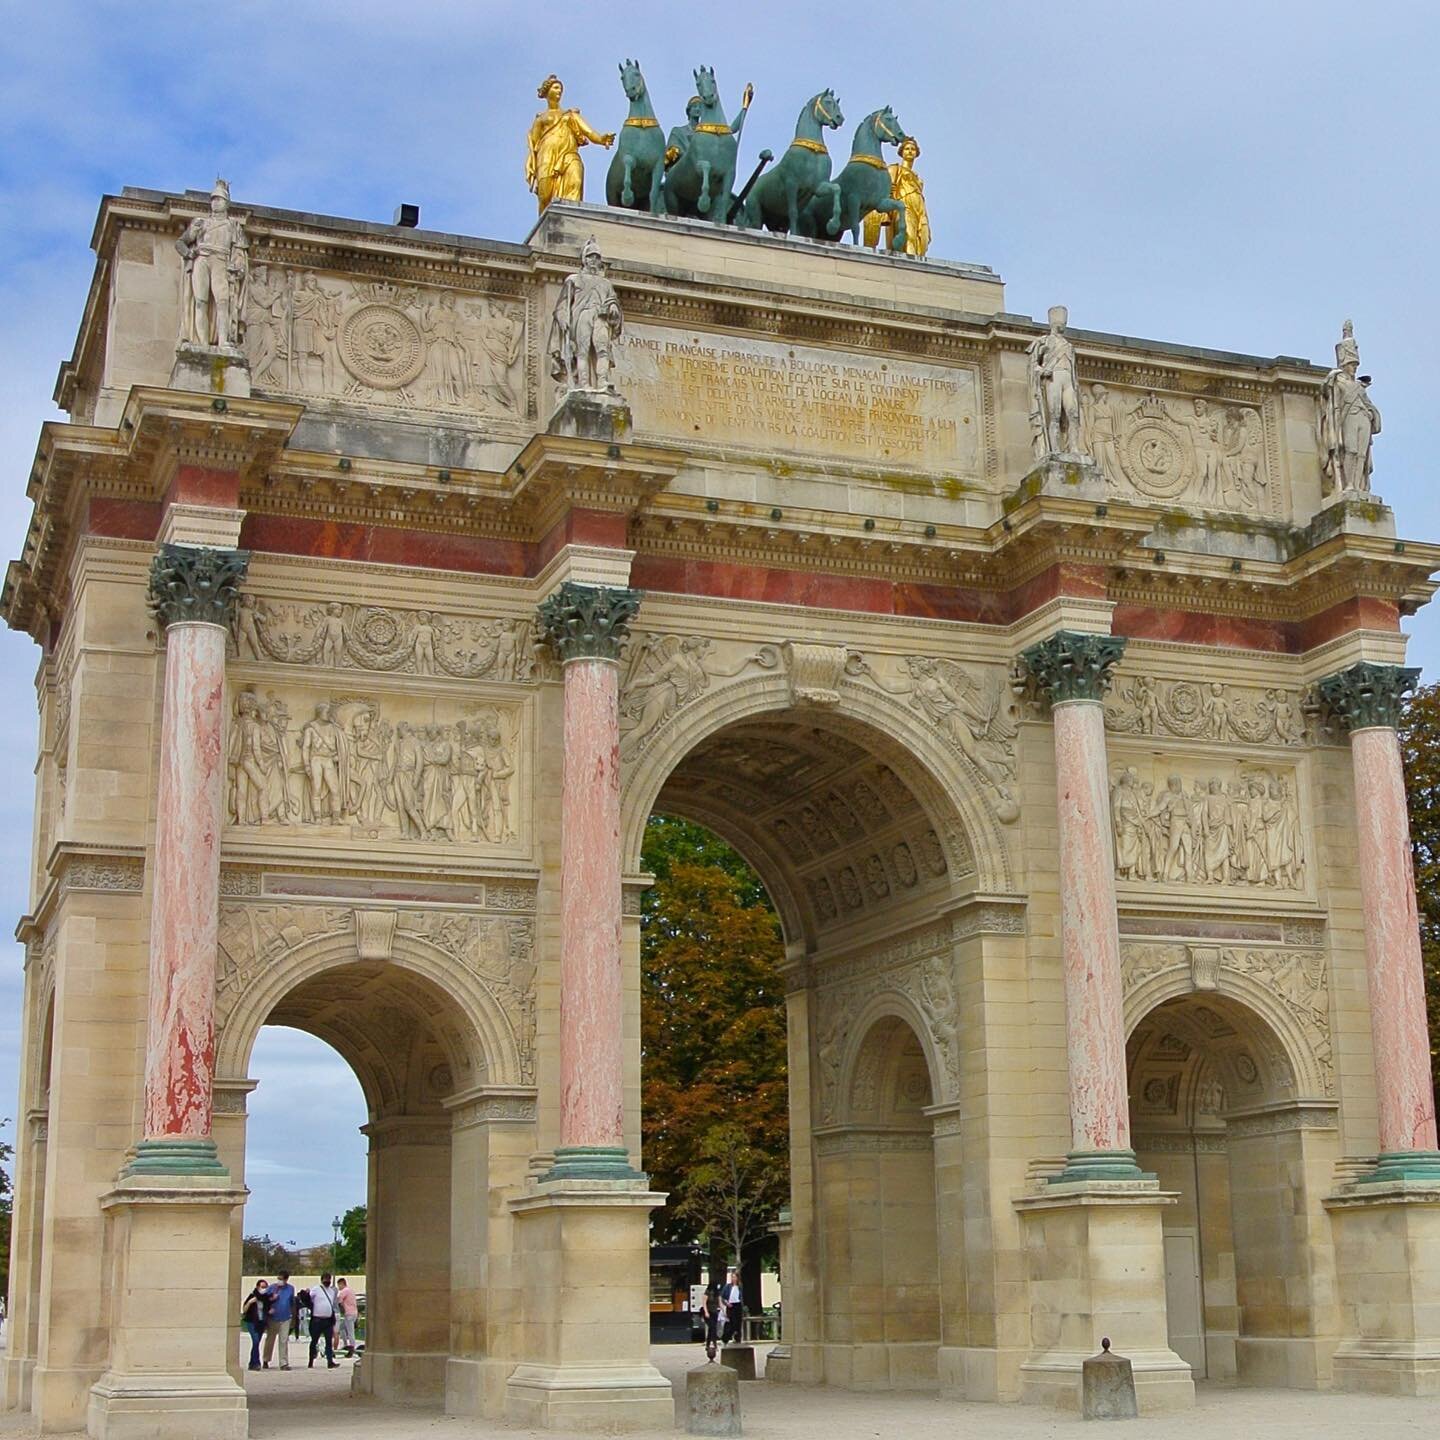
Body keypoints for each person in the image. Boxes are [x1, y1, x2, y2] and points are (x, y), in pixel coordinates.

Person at [262, 1271, 295, 1370]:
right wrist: (271, 1301)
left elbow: (291, 1302)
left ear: (286, 1279)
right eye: (278, 1278)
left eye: (281, 1279)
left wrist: (293, 1317)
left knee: (284, 1340)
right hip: (273, 1318)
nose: (279, 1281)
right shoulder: (272, 1288)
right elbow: (264, 1300)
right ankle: (266, 1359)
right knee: (270, 1340)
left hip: (285, 1317)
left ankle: (283, 1363)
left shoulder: (290, 1289)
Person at [308, 1272, 340, 1369]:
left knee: (328, 1341)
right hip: (317, 1319)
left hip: (328, 1320)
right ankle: (311, 1360)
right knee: (314, 1341)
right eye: (325, 1279)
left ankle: (330, 1361)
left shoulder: (332, 1291)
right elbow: (309, 1299)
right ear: (321, 1280)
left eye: (329, 1279)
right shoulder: (316, 1289)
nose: (327, 1281)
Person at [240, 1279, 269, 1371]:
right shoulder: (252, 1296)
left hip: (261, 1323)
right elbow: (244, 1310)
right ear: (257, 1287)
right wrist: (250, 1302)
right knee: (255, 1341)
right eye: (262, 1287)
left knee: (256, 1343)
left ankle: (252, 1363)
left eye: (265, 1287)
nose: (264, 1289)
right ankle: (256, 1363)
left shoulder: (266, 1298)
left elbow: (268, 1308)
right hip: (252, 1322)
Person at [335, 1278, 359, 1357]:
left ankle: (352, 1347)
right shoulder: (351, 1291)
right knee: (342, 1328)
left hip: (349, 1314)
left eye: (339, 1285)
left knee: (350, 1331)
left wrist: (340, 1306)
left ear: (342, 1284)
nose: (338, 1287)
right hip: (354, 1313)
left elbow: (338, 1299)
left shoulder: (344, 1291)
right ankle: (346, 1344)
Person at [721, 1269, 743, 1344]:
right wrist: (726, 1303)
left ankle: (738, 1338)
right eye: (732, 1277)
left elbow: (742, 1297)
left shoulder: (740, 1286)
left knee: (738, 1323)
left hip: (738, 1305)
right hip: (730, 1305)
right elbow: (723, 1297)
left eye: (734, 1277)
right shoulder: (727, 1287)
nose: (733, 1279)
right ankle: (726, 1338)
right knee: (731, 1323)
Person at [700, 1284, 721, 1361]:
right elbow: (704, 1302)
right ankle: (714, 1344)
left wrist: (723, 1311)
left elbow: (719, 1302)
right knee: (712, 1327)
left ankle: (708, 1344)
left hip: (714, 1312)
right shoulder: (707, 1292)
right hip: (708, 1312)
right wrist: (706, 1312)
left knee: (712, 1328)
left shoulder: (717, 1293)